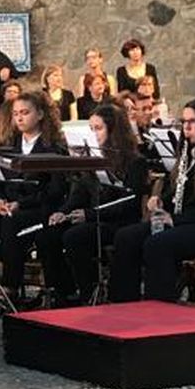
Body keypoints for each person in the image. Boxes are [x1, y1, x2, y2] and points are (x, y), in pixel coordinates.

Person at [111, 99, 195, 303]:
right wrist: (161, 200)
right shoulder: (189, 153)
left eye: (193, 122)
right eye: (184, 122)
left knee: (158, 244)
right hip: (187, 223)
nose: (186, 128)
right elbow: (179, 189)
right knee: (126, 237)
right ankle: (124, 304)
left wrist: (175, 220)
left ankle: (159, 310)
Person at [38, 105, 156, 306]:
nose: (93, 134)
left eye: (98, 128)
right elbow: (80, 193)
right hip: (94, 217)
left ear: (113, 130)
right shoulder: (91, 157)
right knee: (48, 234)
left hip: (118, 222)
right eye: (90, 129)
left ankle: (89, 291)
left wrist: (89, 214)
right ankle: (64, 291)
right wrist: (62, 212)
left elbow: (129, 203)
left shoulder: (135, 162)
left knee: (75, 236)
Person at [0, 91, 69, 305]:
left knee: (13, 220)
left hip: (36, 209)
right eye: (16, 114)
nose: (20, 118)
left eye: (25, 112)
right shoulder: (8, 144)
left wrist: (19, 204)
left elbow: (55, 190)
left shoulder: (54, 147)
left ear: (40, 114)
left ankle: (9, 287)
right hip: (6, 205)